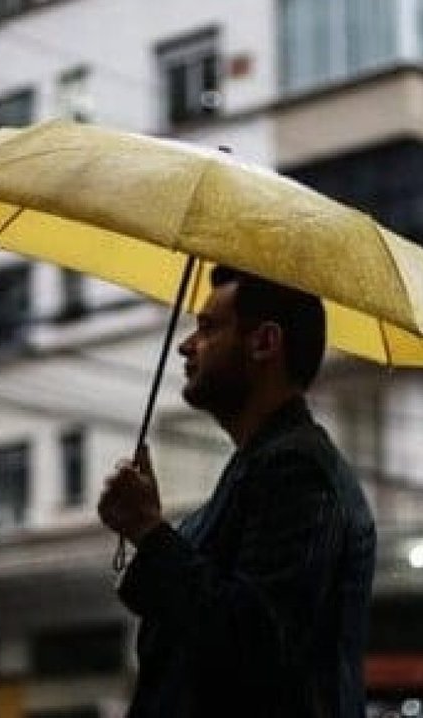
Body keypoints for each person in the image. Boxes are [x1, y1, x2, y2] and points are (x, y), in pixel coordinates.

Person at [98, 265, 377, 718]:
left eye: (208, 329)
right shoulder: (256, 465)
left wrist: (150, 531)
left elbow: (257, 643)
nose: (186, 346)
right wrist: (145, 533)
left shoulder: (297, 470)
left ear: (264, 342)